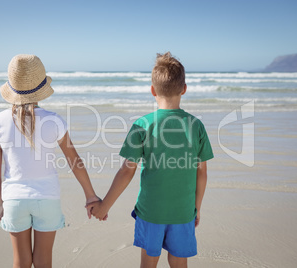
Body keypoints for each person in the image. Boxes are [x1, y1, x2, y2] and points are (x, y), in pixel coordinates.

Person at [88, 52, 214, 268]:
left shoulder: (143, 125)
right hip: (183, 211)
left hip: (151, 211)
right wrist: (196, 208)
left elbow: (127, 171)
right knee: (178, 262)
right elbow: (201, 172)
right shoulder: (196, 126)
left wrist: (103, 206)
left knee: (148, 263)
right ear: (184, 89)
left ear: (153, 91)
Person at [0, 54, 100, 268]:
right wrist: (90, 195)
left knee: (20, 261)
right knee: (43, 261)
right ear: (41, 87)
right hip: (47, 198)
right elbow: (74, 161)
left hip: (14, 199)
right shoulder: (54, 120)